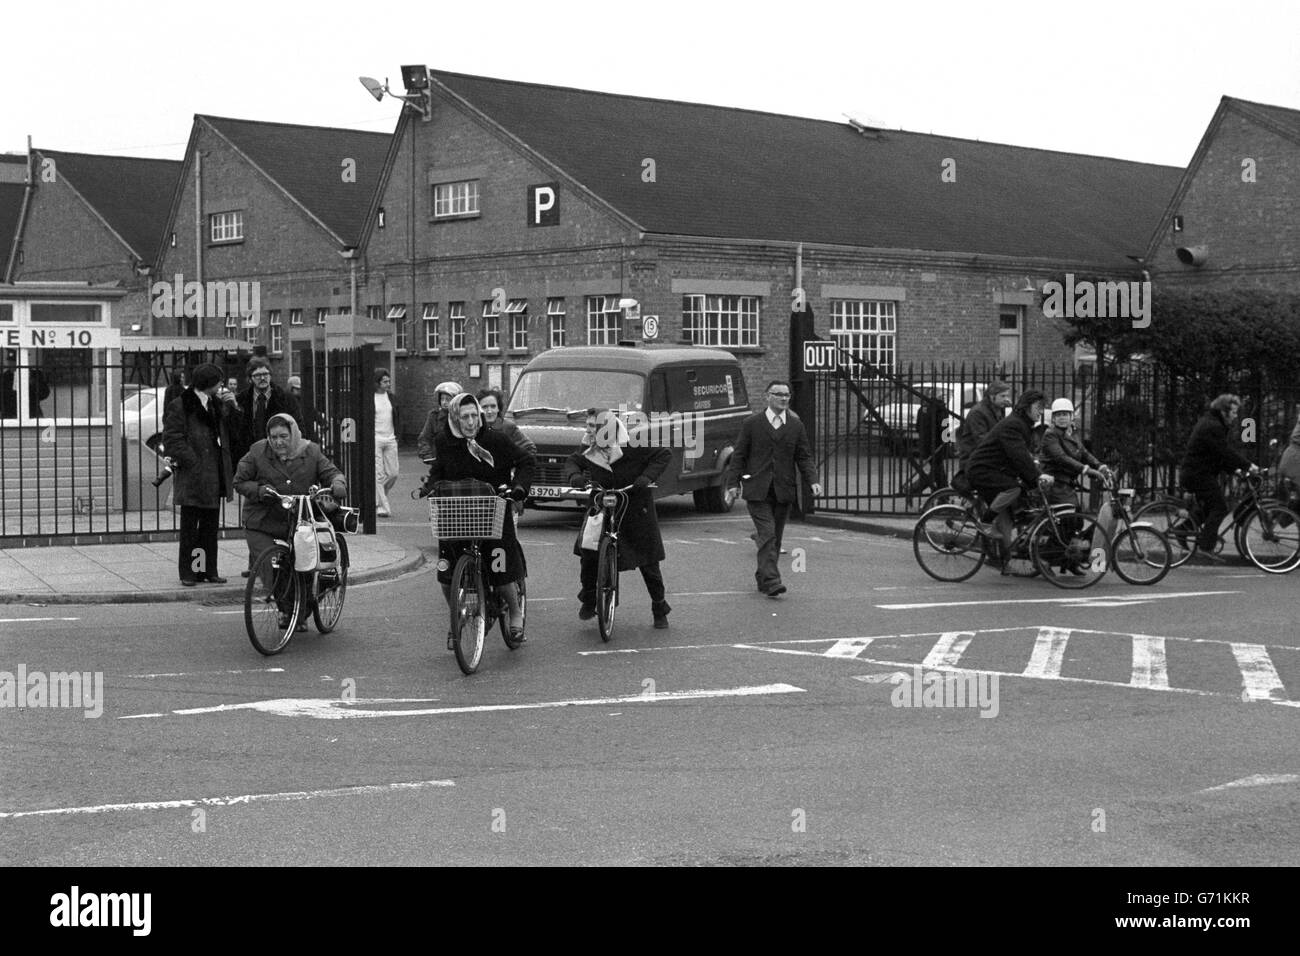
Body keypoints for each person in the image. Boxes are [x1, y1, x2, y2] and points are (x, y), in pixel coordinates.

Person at [427, 392, 534, 647]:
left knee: (501, 570)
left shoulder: (495, 440)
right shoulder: (444, 441)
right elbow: (438, 471)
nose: (472, 421)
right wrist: (429, 486)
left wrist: (518, 487)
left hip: (493, 510)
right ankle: (458, 618)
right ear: (455, 417)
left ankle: (515, 612)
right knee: (446, 574)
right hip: (456, 512)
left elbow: (526, 461)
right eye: (465, 417)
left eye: (475, 415)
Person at [565, 408, 673, 628]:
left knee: (648, 561)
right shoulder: (589, 446)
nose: (588, 430)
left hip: (634, 503)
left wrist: (646, 477)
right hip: (602, 503)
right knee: (588, 552)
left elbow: (663, 455)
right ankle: (588, 598)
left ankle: (659, 607)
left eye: (593, 426)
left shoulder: (633, 444)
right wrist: (575, 475)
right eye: (587, 426)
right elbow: (573, 462)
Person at [233, 413, 348, 620]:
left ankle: (300, 611)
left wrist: (337, 483)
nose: (278, 442)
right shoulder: (257, 451)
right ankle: (286, 608)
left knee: (303, 564)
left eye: (283, 436)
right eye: (273, 437)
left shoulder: (311, 451)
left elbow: (331, 472)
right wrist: (259, 490)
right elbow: (239, 481)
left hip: (298, 522)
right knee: (270, 565)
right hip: (261, 522)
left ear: (293, 434)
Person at [726, 380, 822, 598]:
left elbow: (803, 456)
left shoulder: (796, 426)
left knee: (775, 538)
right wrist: (732, 483)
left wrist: (813, 480)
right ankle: (772, 580)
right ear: (767, 396)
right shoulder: (752, 424)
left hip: (783, 489)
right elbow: (739, 455)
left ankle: (762, 577)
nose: (784, 398)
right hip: (757, 489)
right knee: (768, 534)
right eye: (778, 394)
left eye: (787, 395)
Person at [161, 363, 237, 586]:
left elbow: (232, 432)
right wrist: (193, 462)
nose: (222, 384)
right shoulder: (182, 405)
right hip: (194, 475)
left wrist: (233, 408)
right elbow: (172, 439)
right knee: (190, 529)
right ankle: (190, 572)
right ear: (207, 382)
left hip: (213, 474)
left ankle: (207, 570)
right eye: (218, 380)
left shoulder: (216, 403)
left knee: (209, 527)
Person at [965, 389, 1056, 573]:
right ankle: (985, 522)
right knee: (1013, 489)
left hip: (995, 469)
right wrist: (1037, 476)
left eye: (1042, 408)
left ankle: (1008, 562)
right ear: (1027, 406)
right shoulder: (1014, 425)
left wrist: (1035, 471)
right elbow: (1019, 455)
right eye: (1038, 407)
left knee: (1006, 518)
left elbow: (1023, 455)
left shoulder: (1022, 424)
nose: (1041, 411)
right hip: (982, 471)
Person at [1180, 393, 1259, 563]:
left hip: (1196, 472)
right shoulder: (1213, 426)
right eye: (1234, 412)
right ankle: (1206, 546)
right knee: (1220, 508)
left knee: (1209, 508)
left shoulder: (1213, 423)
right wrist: (1247, 465)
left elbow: (1218, 455)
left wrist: (1236, 470)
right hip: (1197, 474)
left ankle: (1183, 530)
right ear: (1224, 411)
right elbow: (1224, 451)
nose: (1236, 416)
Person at [230, 356, 305, 463]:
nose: (262, 378)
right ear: (250, 378)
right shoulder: (240, 400)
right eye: (257, 375)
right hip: (250, 458)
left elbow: (298, 428)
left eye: (265, 374)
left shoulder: (286, 399)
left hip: (279, 458)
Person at [1040, 398, 1111, 507]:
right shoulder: (1051, 434)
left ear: (1071, 416)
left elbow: (1083, 452)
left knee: (1076, 519)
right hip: (1056, 484)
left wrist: (1099, 465)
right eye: (1058, 415)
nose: (1062, 418)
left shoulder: (1072, 432)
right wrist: (1085, 469)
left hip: (1067, 484)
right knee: (1070, 517)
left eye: (1065, 414)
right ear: (1053, 418)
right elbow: (1061, 458)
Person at [478, 386, 536, 515]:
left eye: (493, 406)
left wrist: (513, 468)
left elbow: (529, 449)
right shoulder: (474, 428)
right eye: (484, 407)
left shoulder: (507, 427)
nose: (489, 411)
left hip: (504, 486)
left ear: (498, 408)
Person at [955, 380, 1012, 468]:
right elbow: (981, 439)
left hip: (985, 459)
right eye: (1002, 396)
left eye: (1007, 396)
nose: (1006, 399)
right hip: (974, 461)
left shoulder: (996, 409)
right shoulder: (978, 412)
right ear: (992, 396)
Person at [374, 369, 401, 517]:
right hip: (376, 438)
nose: (388, 384)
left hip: (390, 438)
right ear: (377, 383)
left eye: (388, 381)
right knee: (379, 475)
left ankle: (376, 498)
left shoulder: (391, 397)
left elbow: (398, 416)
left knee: (393, 473)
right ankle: (383, 507)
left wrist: (398, 435)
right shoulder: (371, 398)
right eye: (385, 381)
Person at [417, 381, 463, 462]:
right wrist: (427, 455)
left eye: (448, 399)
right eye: (442, 399)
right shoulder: (434, 416)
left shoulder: (463, 416)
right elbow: (424, 438)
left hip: (459, 460)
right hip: (439, 459)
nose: (444, 402)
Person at [1, 350, 52, 418]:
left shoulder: (35, 374)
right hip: (10, 415)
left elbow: (44, 393)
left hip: (32, 414)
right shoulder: (4, 377)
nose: (11, 365)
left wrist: (31, 381)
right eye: (10, 362)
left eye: (14, 362)